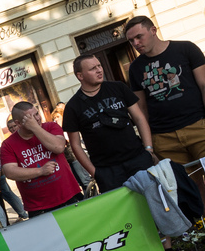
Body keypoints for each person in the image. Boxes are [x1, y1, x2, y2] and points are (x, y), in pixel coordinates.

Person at [127, 15, 205, 221]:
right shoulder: (136, 68)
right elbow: (141, 109)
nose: (136, 43)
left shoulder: (185, 49)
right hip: (164, 138)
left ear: (153, 30)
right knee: (194, 189)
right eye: (131, 40)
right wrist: (150, 144)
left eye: (139, 37)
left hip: (199, 126)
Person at [63, 54, 156, 193]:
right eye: (93, 68)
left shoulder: (118, 87)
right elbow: (75, 145)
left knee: (155, 199)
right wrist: (95, 173)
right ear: (80, 76)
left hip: (138, 158)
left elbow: (139, 118)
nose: (99, 70)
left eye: (99, 66)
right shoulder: (73, 106)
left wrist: (148, 150)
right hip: (108, 171)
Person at [0, 102, 84, 217]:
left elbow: (59, 147)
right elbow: (10, 172)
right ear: (18, 123)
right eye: (30, 118)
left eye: (36, 114)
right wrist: (40, 171)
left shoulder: (51, 127)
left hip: (70, 197)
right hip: (39, 208)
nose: (37, 119)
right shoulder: (8, 144)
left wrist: (35, 128)